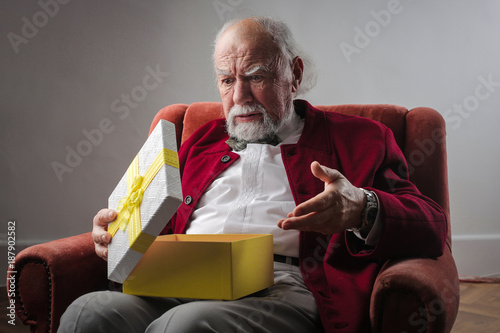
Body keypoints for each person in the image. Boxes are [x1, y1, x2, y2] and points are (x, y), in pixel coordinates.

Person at [58, 17, 446, 333]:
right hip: (181, 276)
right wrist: (115, 233)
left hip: (282, 286)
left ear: (294, 74)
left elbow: (432, 226)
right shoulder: (198, 141)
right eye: (227, 80)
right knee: (88, 312)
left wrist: (362, 207)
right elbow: (153, 225)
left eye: (256, 77)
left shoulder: (361, 138)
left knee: (186, 326)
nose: (239, 96)